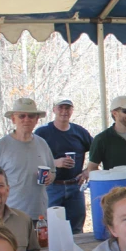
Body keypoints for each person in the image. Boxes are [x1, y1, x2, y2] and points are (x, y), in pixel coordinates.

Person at [0, 97, 56, 221]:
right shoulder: (1, 146)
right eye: (22, 116)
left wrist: (51, 176)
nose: (26, 120)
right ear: (13, 119)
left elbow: (53, 171)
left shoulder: (42, 144)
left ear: (37, 120)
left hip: (39, 215)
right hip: (10, 215)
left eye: (31, 116)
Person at [34, 98, 93, 233]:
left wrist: (87, 171)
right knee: (50, 228)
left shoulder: (80, 132)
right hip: (52, 187)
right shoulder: (42, 133)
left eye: (68, 108)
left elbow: (98, 152)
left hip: (75, 186)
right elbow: (32, 159)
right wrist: (55, 163)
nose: (64, 111)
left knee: (76, 228)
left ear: (72, 111)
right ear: (54, 109)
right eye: (61, 108)